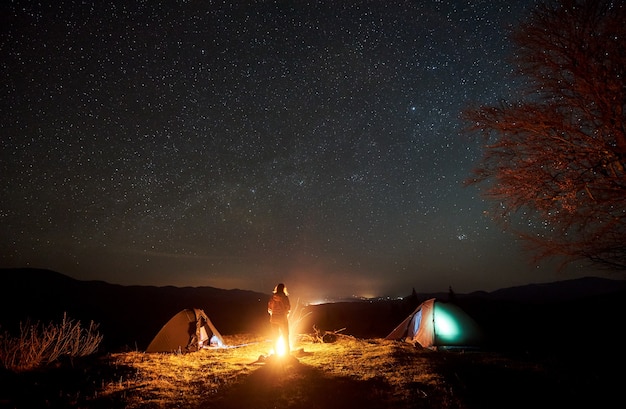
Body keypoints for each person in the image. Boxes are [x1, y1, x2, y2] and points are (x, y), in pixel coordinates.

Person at [267, 283, 291, 355]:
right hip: (283, 319)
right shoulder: (285, 298)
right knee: (285, 335)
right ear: (284, 289)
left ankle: (276, 353)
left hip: (273, 319)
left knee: (275, 336)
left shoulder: (272, 298)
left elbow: (269, 309)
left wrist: (274, 313)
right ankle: (287, 353)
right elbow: (288, 308)